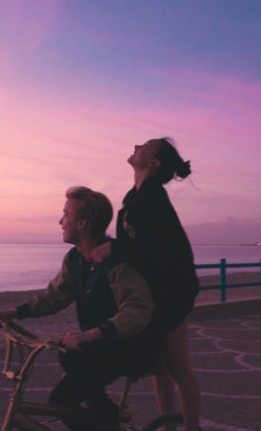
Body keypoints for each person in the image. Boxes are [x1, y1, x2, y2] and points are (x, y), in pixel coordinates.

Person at [0, 186, 158, 431]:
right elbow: (54, 296)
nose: (60, 220)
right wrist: (12, 312)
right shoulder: (75, 258)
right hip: (95, 349)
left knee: (73, 362)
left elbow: (138, 309)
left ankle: (107, 418)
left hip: (127, 347)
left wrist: (92, 333)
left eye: (66, 214)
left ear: (82, 223)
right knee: (61, 400)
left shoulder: (116, 260)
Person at [91, 137, 202, 431]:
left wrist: (113, 248)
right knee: (160, 370)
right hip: (152, 292)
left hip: (171, 293)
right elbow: (138, 244)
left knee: (180, 370)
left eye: (146, 145)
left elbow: (156, 247)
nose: (137, 144)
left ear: (153, 163)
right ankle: (168, 426)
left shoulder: (153, 197)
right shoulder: (134, 196)